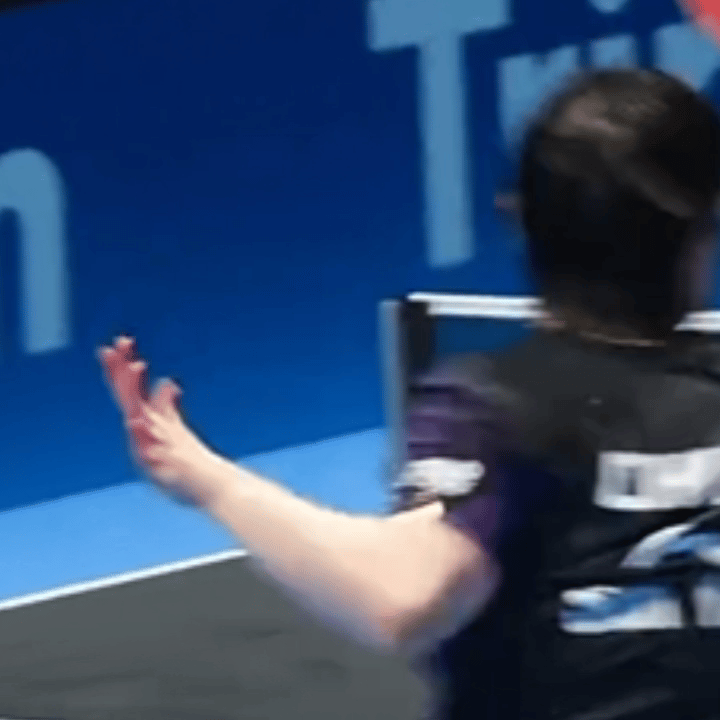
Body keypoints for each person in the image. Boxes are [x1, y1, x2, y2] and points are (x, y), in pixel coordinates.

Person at [98, 67, 720, 720]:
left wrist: (208, 480)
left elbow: (402, 596)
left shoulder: (499, 407)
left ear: (522, 219)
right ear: (698, 236)